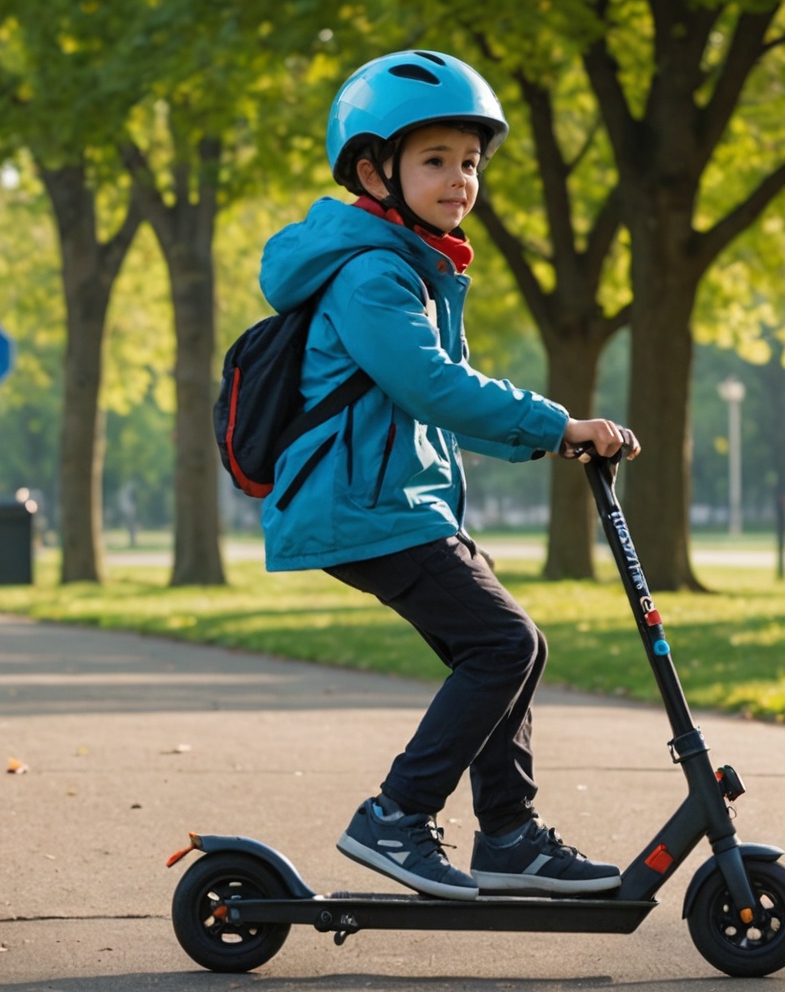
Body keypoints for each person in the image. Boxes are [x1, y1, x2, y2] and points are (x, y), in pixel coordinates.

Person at [257, 50, 641, 902]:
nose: (460, 179)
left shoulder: (415, 267)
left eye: (469, 162)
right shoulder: (372, 273)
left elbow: (437, 405)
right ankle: (397, 815)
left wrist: (549, 441)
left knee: (508, 650)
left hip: (398, 503)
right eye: (435, 160)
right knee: (504, 644)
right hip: (365, 506)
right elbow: (431, 384)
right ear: (372, 168)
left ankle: (507, 834)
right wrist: (556, 424)